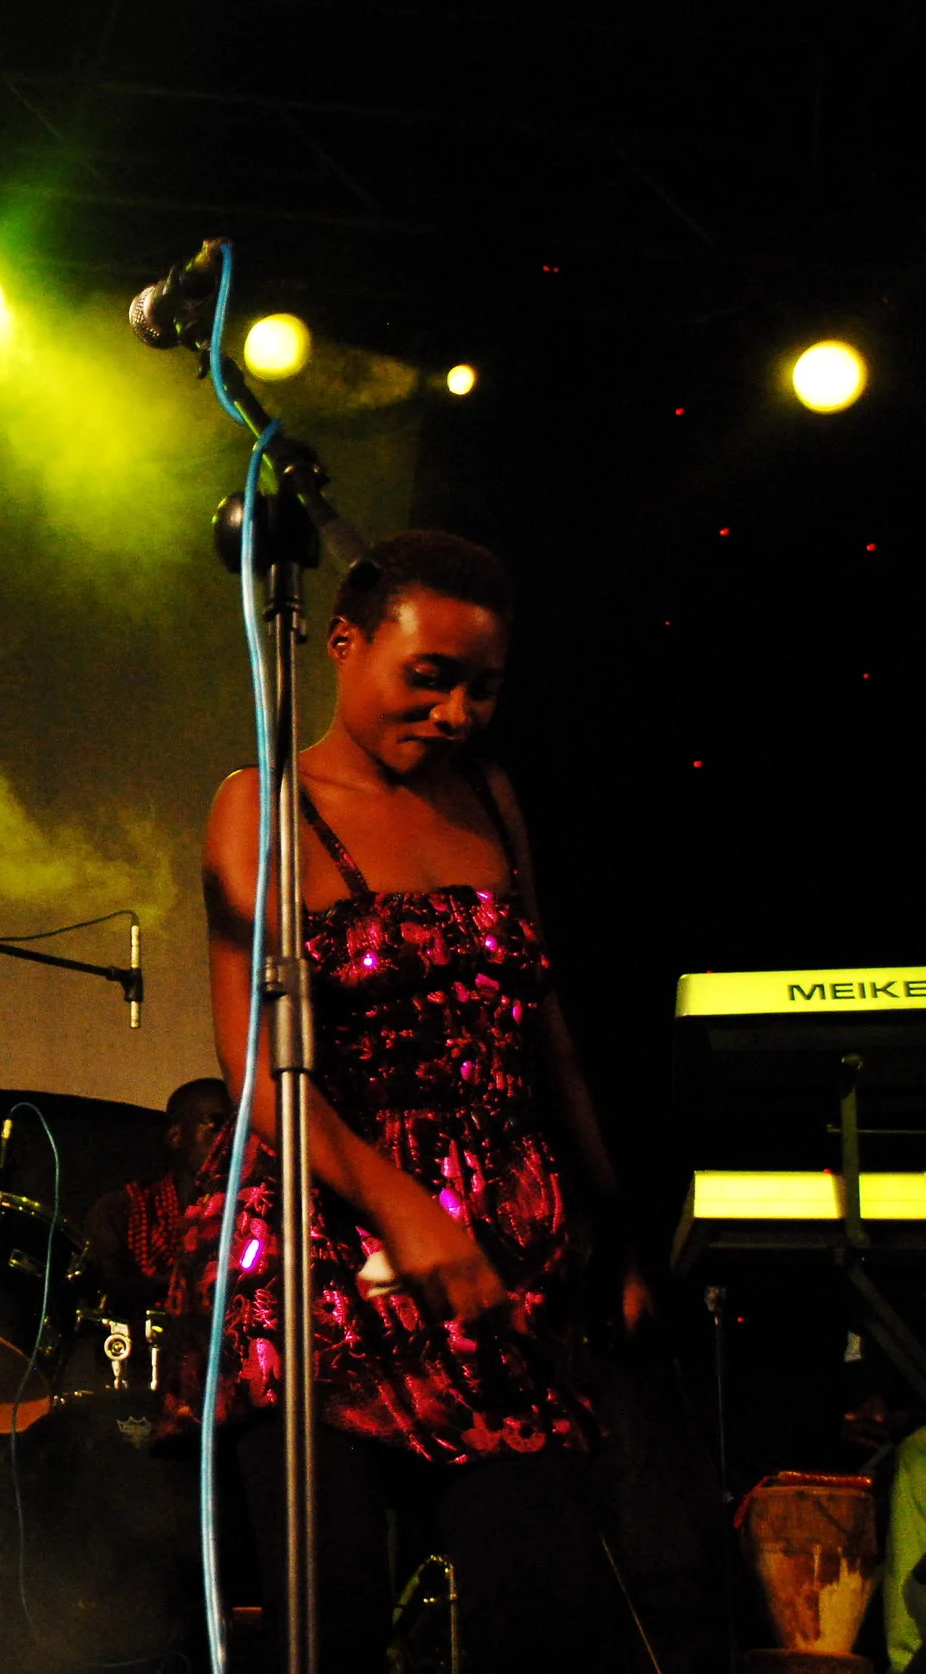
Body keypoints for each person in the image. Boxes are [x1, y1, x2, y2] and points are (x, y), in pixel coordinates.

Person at [159, 532, 650, 1673]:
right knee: (329, 1620)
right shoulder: (261, 805)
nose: (457, 711)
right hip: (316, 1241)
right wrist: (401, 1208)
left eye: (482, 687)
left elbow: (545, 1025)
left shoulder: (491, 797)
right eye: (427, 676)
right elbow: (251, 1059)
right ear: (344, 644)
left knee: (538, 1600)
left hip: (498, 1246)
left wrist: (609, 1215)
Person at [79, 1076, 230, 1318]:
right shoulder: (122, 1211)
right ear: (176, 1136)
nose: (229, 1139)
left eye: (237, 1128)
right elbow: (103, 1291)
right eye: (216, 1125)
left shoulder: (251, 1216)